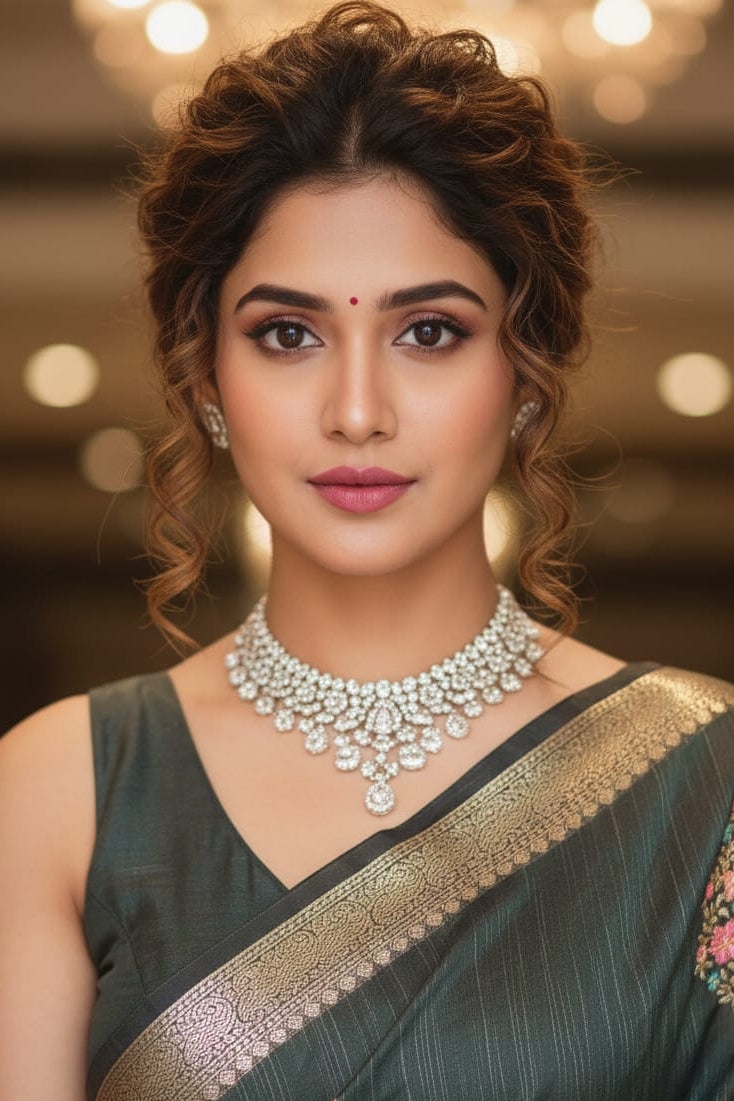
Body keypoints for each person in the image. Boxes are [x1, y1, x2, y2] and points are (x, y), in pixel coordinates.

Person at [1, 2, 732, 1098]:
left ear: (523, 376)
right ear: (206, 379)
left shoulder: (704, 778)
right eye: (286, 334)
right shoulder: (63, 789)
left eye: (428, 331)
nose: (355, 411)